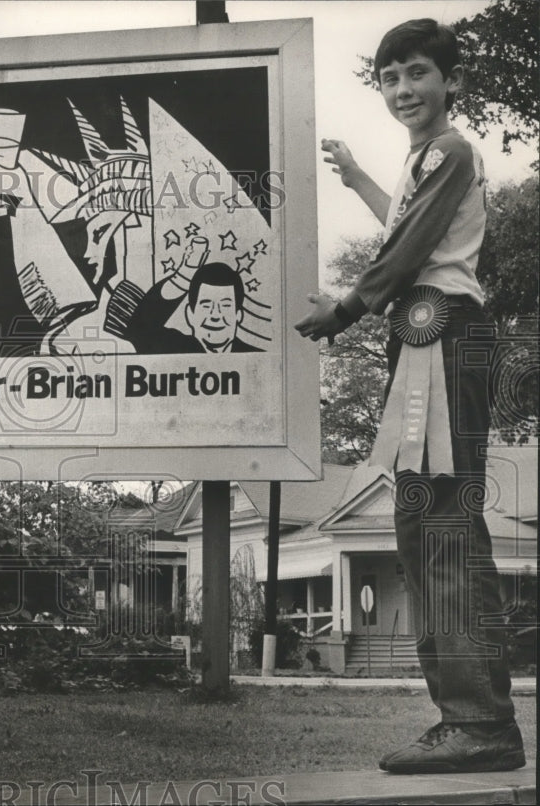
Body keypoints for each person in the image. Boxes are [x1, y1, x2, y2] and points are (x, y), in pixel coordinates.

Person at [294, 19, 525, 774]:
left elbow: (410, 247)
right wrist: (359, 174)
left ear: (452, 82)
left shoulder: (452, 150)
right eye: (389, 78)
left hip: (445, 333)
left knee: (441, 528)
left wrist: (347, 308)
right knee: (430, 526)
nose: (403, 90)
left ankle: (478, 722)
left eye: (418, 73)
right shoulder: (427, 159)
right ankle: (476, 715)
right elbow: (406, 221)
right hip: (431, 336)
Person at [125, 256, 263, 354]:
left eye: (225, 306)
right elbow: (139, 331)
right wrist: (185, 273)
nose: (215, 315)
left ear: (238, 315)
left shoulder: (257, 358)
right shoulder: (173, 349)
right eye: (206, 305)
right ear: (190, 315)